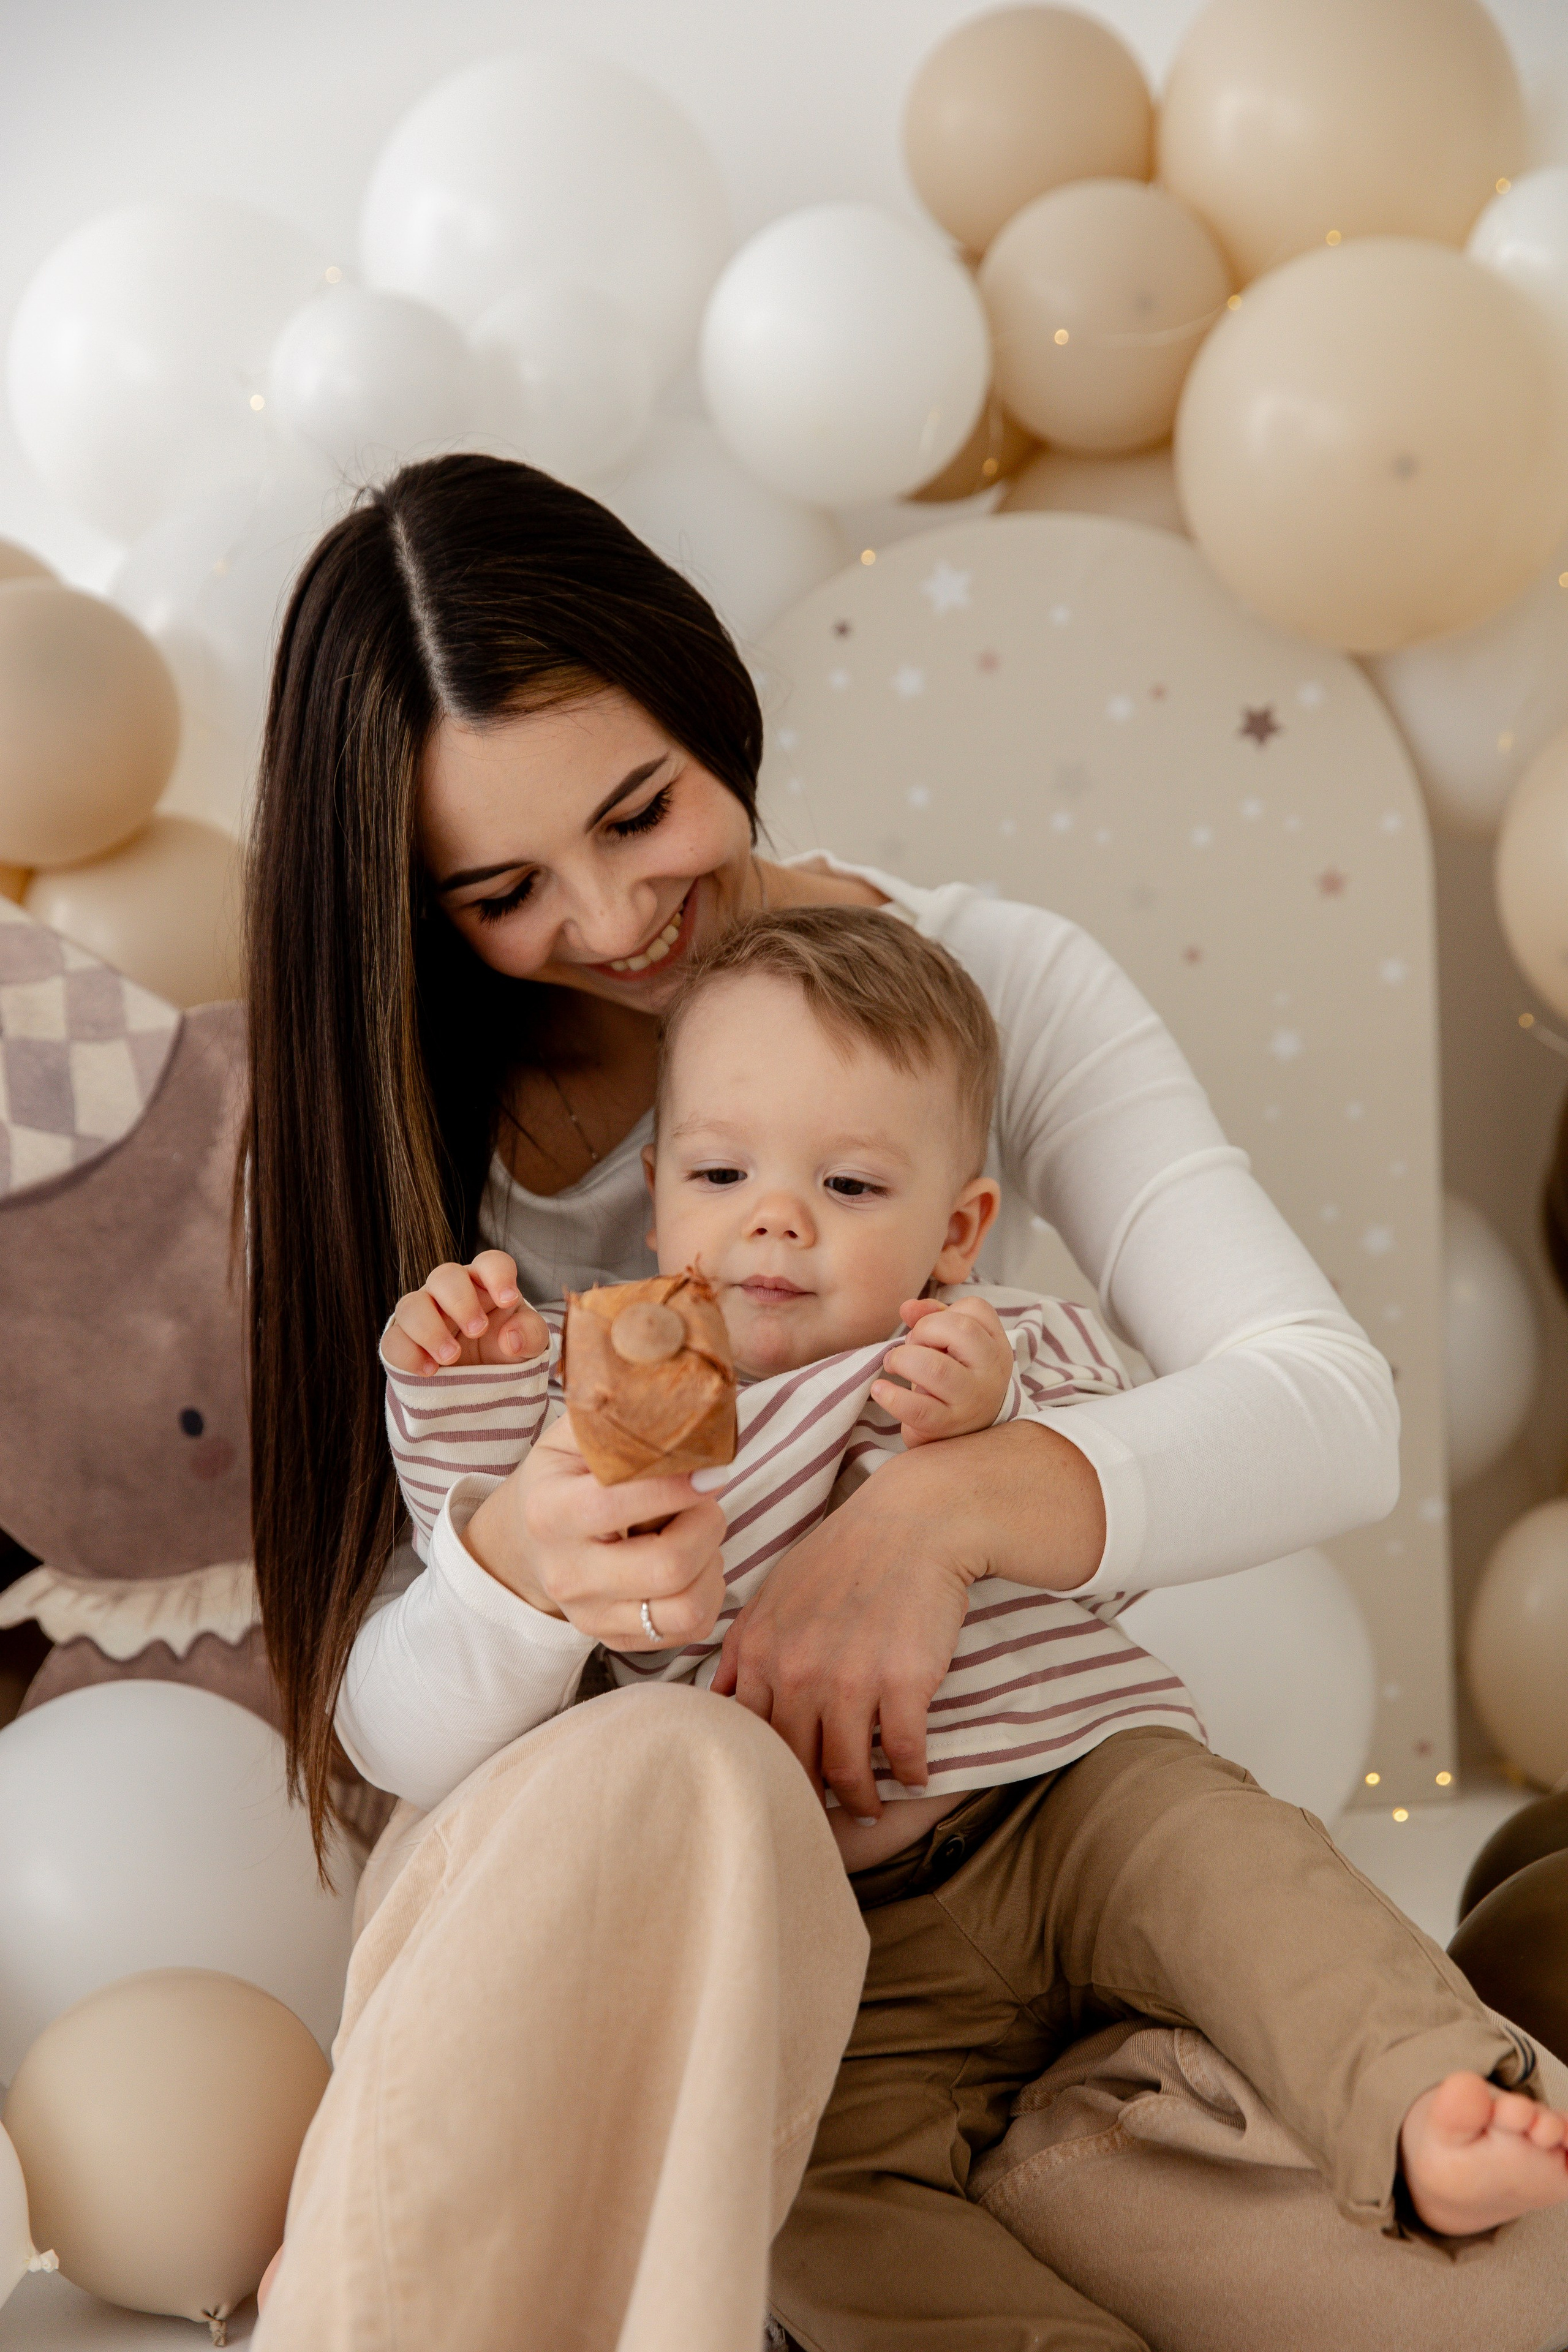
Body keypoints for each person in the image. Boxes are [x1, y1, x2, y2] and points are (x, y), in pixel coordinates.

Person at [244, 456, 1559, 2350]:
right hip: (634, 1947)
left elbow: (1324, 1405)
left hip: (1018, 1863)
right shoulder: (402, 1124)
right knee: (698, 1777)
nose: (613, 920)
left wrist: (935, 1514)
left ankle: (1160, 2162)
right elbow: (389, 1728)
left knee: (1510, 2284)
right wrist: (522, 1566)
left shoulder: (979, 986)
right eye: (504, 891)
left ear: (708, 699)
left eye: (640, 811)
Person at [349, 903, 1568, 2350]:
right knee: (818, 2203)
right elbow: (470, 1519)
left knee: (1245, 1878)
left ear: (956, 1231)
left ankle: (1419, 2094)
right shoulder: (598, 1385)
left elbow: (1125, 1507)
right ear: (656, 1202)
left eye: (850, 1184)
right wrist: (462, 1360)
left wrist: (994, 1418)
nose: (775, 1219)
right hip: (844, 1946)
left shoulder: (986, 1347)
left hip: (1071, 1812)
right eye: (721, 1172)